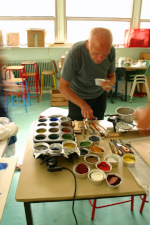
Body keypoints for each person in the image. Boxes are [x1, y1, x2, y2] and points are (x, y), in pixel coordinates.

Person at [59, 27, 116, 121]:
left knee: (98, 126)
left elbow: (112, 75)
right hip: (77, 96)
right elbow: (63, 87)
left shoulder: (111, 51)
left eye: (104, 55)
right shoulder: (75, 53)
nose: (100, 59)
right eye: (96, 53)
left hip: (99, 96)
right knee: (76, 128)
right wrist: (83, 105)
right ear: (89, 44)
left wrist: (111, 83)